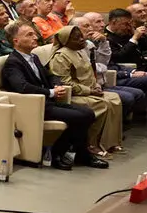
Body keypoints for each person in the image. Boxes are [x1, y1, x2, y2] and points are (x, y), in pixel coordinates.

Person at [0, 21, 106, 171]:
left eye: (34, 33)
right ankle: (58, 153)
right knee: (80, 117)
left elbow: (50, 74)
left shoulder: (33, 57)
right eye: (29, 35)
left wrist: (57, 85)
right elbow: (22, 87)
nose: (35, 37)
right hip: (33, 106)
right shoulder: (13, 62)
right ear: (16, 41)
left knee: (88, 113)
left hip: (48, 101)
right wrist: (50, 92)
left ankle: (77, 152)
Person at [50, 25, 123, 157]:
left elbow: (90, 74)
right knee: (102, 104)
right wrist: (89, 91)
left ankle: (109, 142)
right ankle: (91, 144)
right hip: (72, 95)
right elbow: (65, 83)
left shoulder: (80, 51)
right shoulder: (61, 56)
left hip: (89, 91)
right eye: (77, 38)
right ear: (67, 41)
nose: (82, 40)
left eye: (81, 36)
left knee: (114, 98)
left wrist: (96, 86)